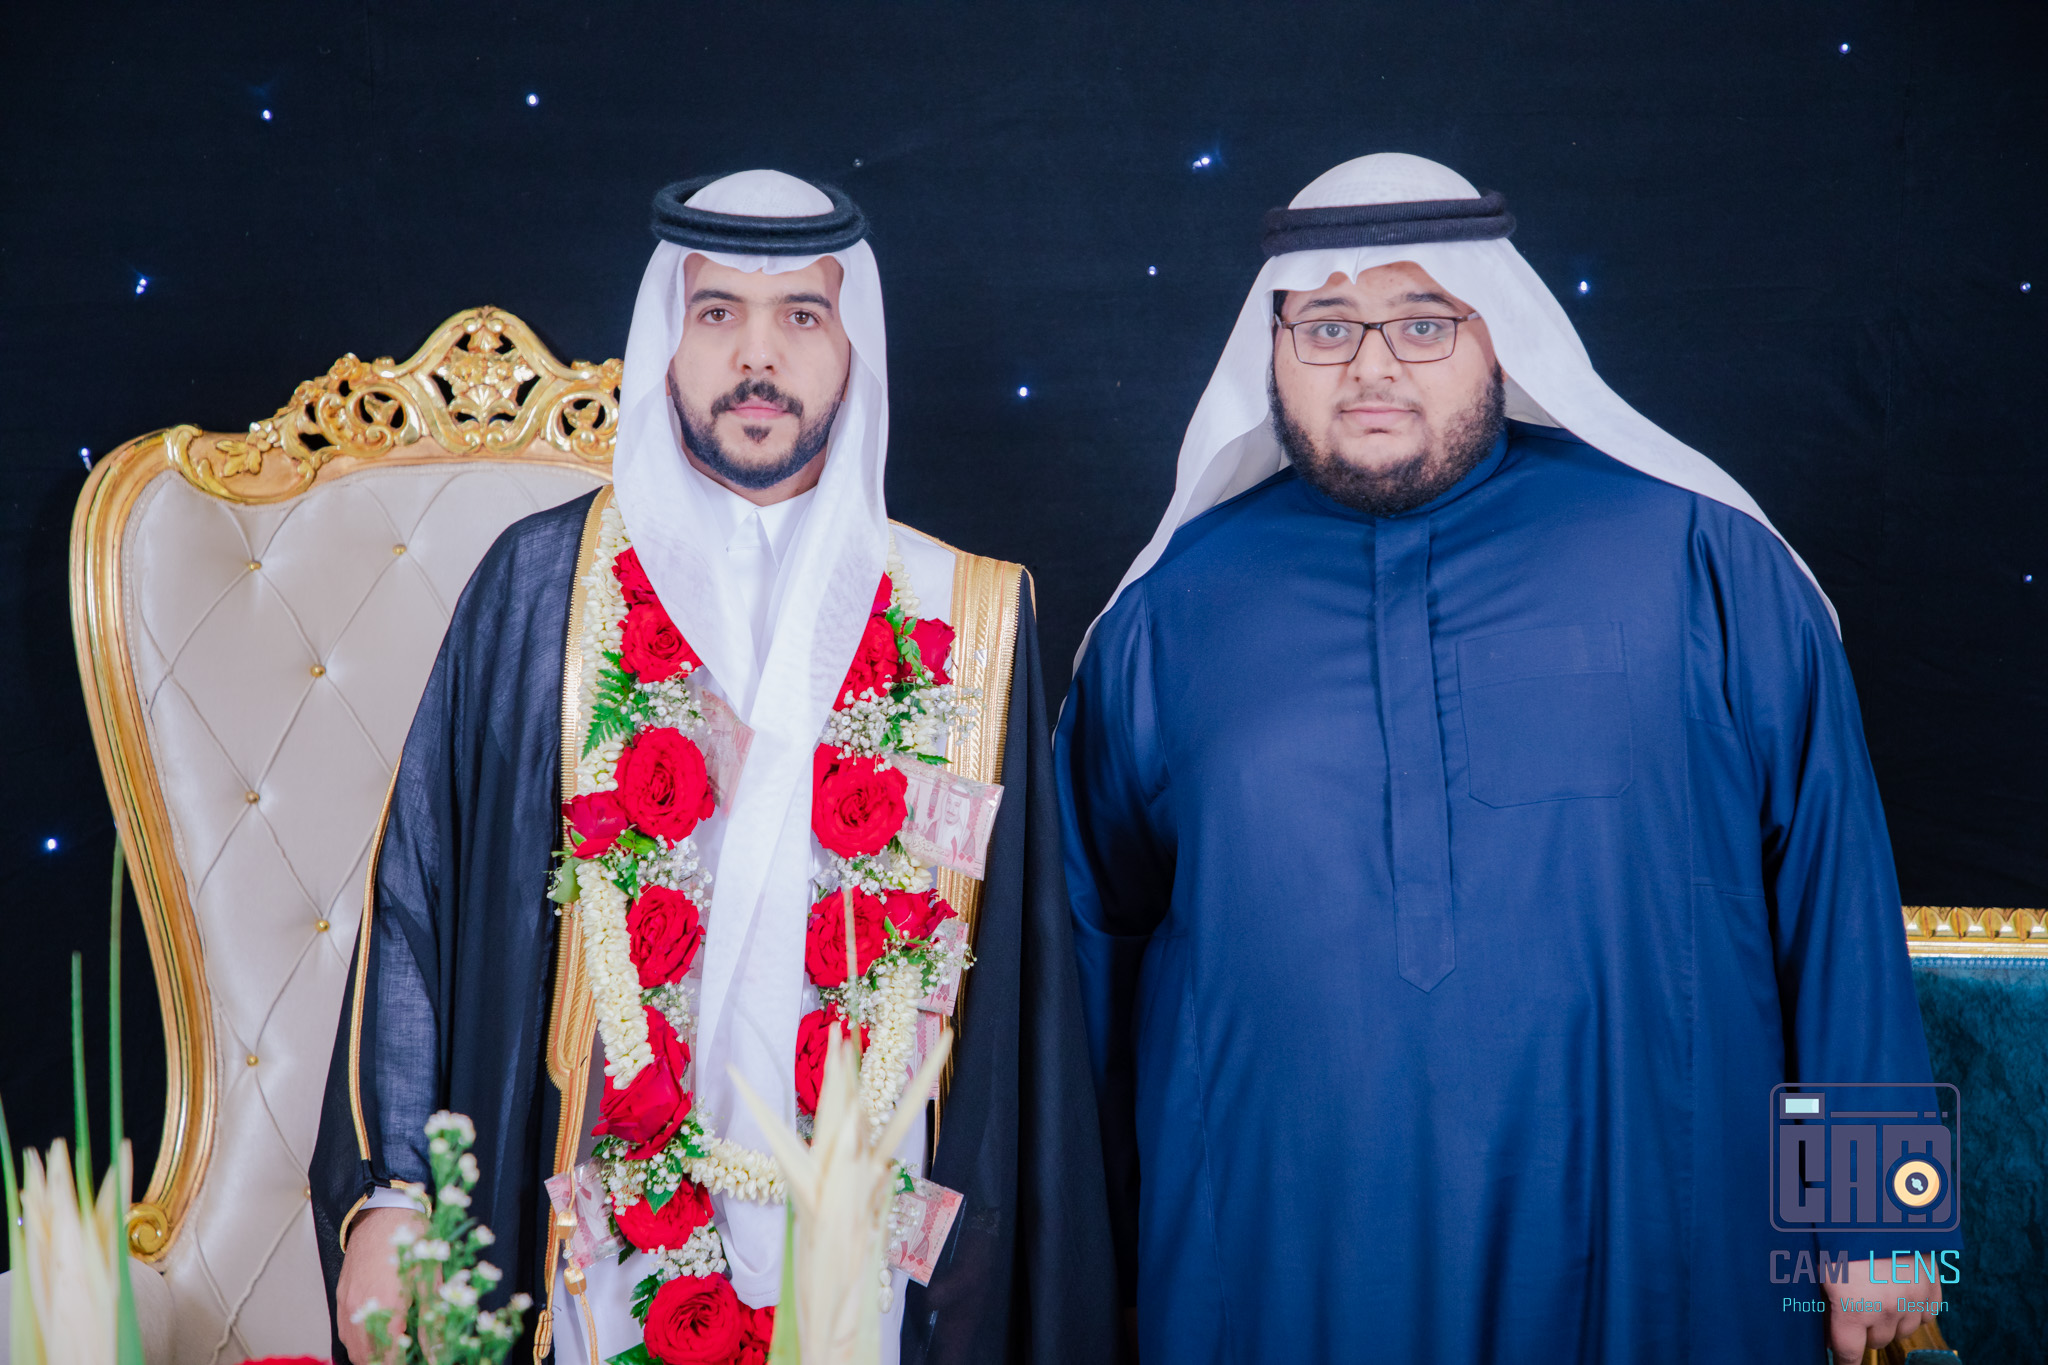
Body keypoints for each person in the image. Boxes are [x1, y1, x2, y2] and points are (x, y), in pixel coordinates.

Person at [1055, 153, 1957, 1365]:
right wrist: (1074, 1278)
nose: (1371, 366)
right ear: (1271, 348)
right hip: (1282, 1258)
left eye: (1422, 321)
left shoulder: (1701, 557)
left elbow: (1831, 894)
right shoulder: (1166, 617)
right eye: (1326, 327)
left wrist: (1879, 1218)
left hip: (1649, 1234)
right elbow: (1087, 957)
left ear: (1499, 336)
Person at [311, 169, 1115, 1365]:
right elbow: (419, 898)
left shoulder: (962, 612)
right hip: (597, 1221)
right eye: (717, 312)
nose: (758, 355)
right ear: (666, 341)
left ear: (852, 347)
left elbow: (1020, 1008)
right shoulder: (544, 589)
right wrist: (394, 1193)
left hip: (863, 1239)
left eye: (801, 315)